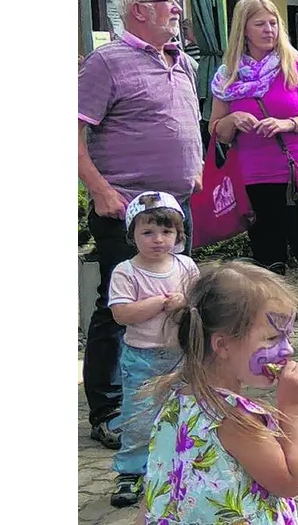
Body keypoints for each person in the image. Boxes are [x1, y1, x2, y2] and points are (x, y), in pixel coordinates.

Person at [78, 0, 203, 451]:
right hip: (126, 211)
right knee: (119, 308)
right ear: (139, 10)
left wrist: (193, 168)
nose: (177, 7)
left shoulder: (182, 61)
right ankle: (110, 410)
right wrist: (99, 190)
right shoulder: (106, 62)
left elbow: (186, 122)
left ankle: (170, 397)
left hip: (176, 210)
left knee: (178, 298)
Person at [144, 261, 298, 524]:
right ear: (223, 345)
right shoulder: (235, 420)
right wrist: (293, 406)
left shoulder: (176, 401)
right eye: (272, 338)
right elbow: (290, 482)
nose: (288, 349)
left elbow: (155, 493)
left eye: (287, 337)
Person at [209, 0, 298, 323]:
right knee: (267, 258)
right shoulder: (228, 76)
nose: (269, 30)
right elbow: (217, 130)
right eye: (260, 24)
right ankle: (274, 332)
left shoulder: (294, 65)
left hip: (297, 174)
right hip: (253, 177)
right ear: (244, 29)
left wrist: (288, 123)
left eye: (273, 23)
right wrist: (232, 120)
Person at [105, 191, 200, 507]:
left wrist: (184, 302)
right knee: (139, 418)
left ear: (178, 234)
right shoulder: (126, 271)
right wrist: (159, 302)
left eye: (166, 231)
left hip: (181, 355)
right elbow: (121, 313)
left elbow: (199, 302)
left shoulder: (185, 266)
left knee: (183, 413)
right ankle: (131, 472)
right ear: (132, 234)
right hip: (142, 358)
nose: (158, 239)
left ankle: (179, 466)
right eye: (147, 232)